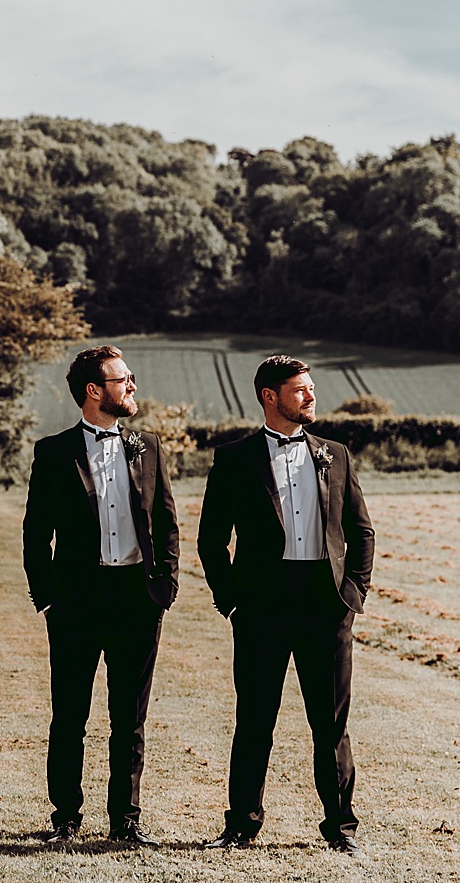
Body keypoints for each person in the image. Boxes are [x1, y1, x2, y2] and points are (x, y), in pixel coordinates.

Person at [198, 355, 374, 857]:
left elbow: (361, 530)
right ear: (269, 397)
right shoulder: (234, 459)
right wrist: (231, 601)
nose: (311, 396)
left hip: (327, 604)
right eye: (300, 390)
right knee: (255, 718)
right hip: (262, 607)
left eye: (312, 388)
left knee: (331, 723)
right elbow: (212, 541)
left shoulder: (336, 453)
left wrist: (353, 594)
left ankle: (341, 828)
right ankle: (241, 826)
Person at [22, 345, 179, 847]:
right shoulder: (53, 452)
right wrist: (47, 596)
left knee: (128, 720)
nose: (132, 386)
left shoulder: (148, 446)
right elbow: (34, 534)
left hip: (138, 598)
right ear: (94, 391)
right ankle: (65, 818)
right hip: (75, 602)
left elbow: (168, 525)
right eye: (123, 379)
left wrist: (165, 587)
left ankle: (125, 820)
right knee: (69, 715)